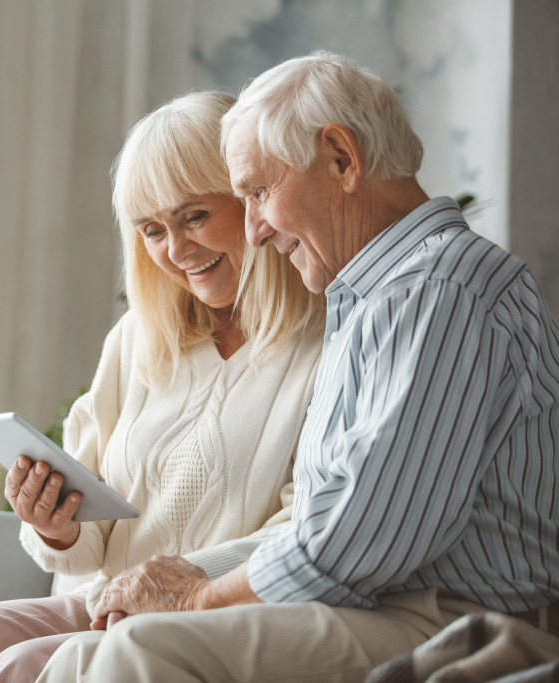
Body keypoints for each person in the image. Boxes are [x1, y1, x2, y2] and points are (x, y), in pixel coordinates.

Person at [38, 50, 559, 683]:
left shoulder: (442, 288)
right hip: (370, 601)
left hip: (444, 617)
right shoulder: (374, 298)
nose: (254, 231)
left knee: (137, 652)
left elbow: (366, 538)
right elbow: (328, 525)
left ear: (342, 159)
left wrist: (196, 596)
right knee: (79, 658)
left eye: (259, 192)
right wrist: (188, 576)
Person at [0, 90, 325, 683]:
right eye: (153, 230)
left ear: (252, 198)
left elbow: (313, 525)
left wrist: (182, 581)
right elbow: (85, 540)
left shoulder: (329, 339)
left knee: (24, 665)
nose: (177, 251)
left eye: (195, 216)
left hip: (218, 609)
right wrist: (57, 524)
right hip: (110, 600)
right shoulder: (138, 339)